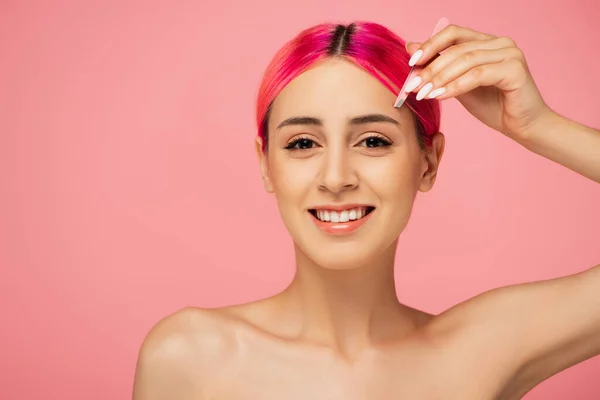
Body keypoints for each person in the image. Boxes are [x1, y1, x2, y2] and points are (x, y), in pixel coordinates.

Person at [132, 21, 600, 399]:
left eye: (373, 141)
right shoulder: (190, 357)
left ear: (429, 162)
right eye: (302, 143)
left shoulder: (484, 350)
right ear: (266, 165)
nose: (336, 178)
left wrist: (538, 126)